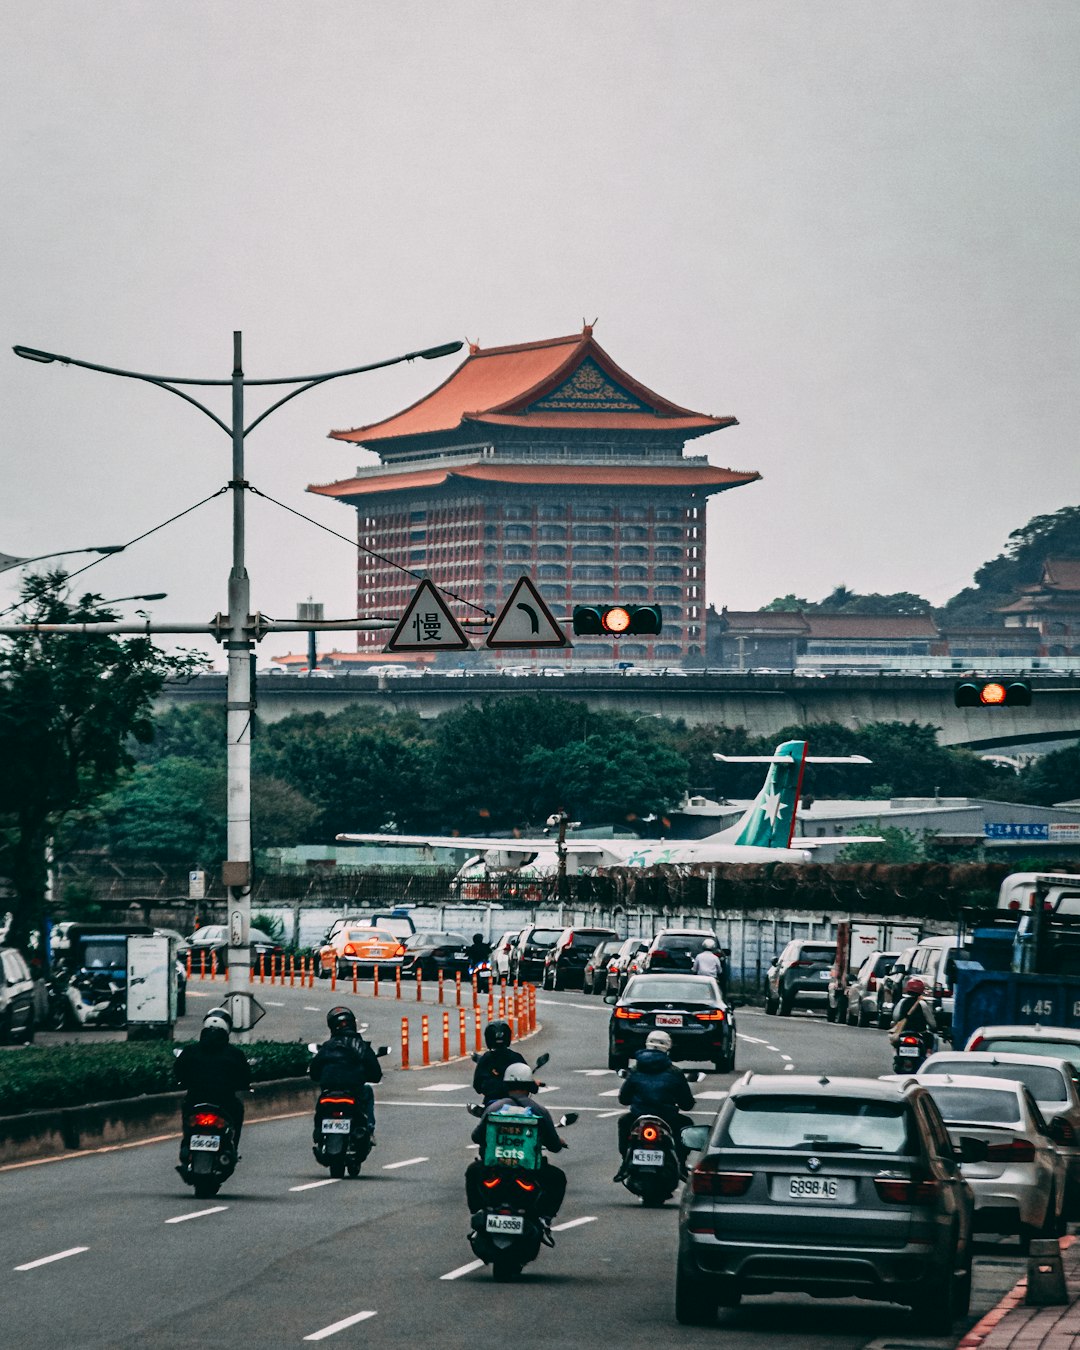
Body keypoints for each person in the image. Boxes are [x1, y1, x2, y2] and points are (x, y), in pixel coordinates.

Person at [466, 1062, 568, 1224]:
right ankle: (545, 1217)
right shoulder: (539, 1111)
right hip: (529, 1171)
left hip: (494, 1168)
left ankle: (478, 1210)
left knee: (472, 1171)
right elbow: (554, 1146)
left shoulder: (494, 1108)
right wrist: (557, 1141)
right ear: (529, 1086)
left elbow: (476, 1137)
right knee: (557, 1178)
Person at [615, 1030, 696, 1177]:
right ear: (668, 1048)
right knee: (686, 1125)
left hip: (638, 1117)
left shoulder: (635, 1069)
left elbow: (623, 1099)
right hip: (668, 1118)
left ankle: (624, 1163)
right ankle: (682, 1165)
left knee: (623, 1122)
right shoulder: (675, 1072)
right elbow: (687, 1104)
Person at [175, 1007, 252, 1143]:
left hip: (195, 1099)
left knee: (187, 1116)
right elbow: (245, 1076)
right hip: (225, 1101)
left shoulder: (190, 1051)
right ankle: (233, 1145)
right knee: (238, 1111)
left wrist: (183, 1082)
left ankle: (187, 1143)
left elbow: (178, 1071)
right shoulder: (235, 1054)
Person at [309, 1005, 383, 1140]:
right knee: (368, 1092)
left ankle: (318, 1131)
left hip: (329, 1091)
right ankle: (370, 1129)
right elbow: (376, 1074)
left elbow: (314, 1073)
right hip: (353, 1091)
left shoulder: (327, 1047)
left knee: (321, 1103)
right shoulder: (361, 1046)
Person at [472, 1018, 526, 1103]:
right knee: (541, 1113)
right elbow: (528, 1082)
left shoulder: (486, 1058)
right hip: (516, 1103)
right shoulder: (516, 1057)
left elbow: (477, 1086)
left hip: (492, 1103)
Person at [889, 977, 938, 1045]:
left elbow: (895, 1017)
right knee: (931, 1038)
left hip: (903, 1031)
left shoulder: (902, 1002)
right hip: (920, 1032)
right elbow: (931, 1022)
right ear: (921, 990)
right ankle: (928, 1053)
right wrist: (934, 1027)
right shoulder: (922, 1003)